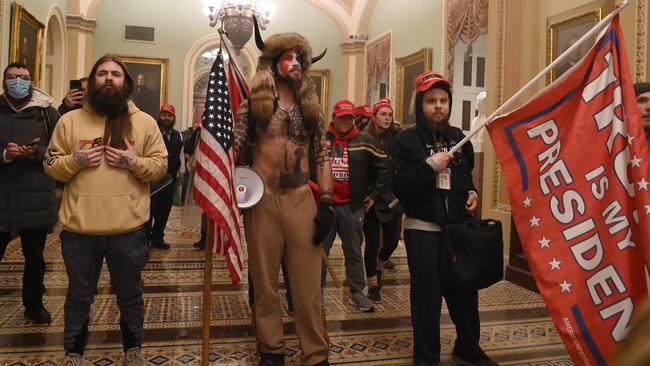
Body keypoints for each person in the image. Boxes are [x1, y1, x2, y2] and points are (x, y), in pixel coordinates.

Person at [44, 55, 168, 365]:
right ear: (91, 81)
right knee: (78, 296)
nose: (108, 78)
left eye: (115, 73)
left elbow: (161, 166)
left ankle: (133, 349)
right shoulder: (69, 121)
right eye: (102, 73)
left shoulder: (146, 122)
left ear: (126, 82)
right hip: (79, 233)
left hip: (129, 232)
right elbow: (50, 165)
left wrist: (132, 161)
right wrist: (76, 161)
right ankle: (74, 353)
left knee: (130, 295)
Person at [232, 31, 333, 366]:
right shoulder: (253, 106)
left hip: (302, 201)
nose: (295, 64)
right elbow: (233, 147)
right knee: (264, 285)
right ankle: (271, 350)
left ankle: (315, 353)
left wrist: (328, 202)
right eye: (288, 58)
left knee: (307, 289)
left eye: (299, 58)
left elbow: (322, 156)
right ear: (273, 64)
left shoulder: (312, 110)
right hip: (262, 202)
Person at [391, 70, 498, 366]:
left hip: (458, 231)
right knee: (427, 298)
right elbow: (400, 188)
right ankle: (426, 357)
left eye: (443, 100)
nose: (438, 106)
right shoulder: (405, 142)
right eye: (431, 101)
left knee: (465, 291)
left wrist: (472, 194)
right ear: (420, 105)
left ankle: (468, 346)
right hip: (423, 231)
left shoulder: (458, 138)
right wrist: (428, 167)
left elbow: (464, 180)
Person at [0, 62, 60, 324]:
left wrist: (36, 152)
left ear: (32, 81)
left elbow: (60, 151)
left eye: (23, 77)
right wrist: (4, 154)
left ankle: (34, 304)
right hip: (3, 195)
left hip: (36, 196)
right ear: (4, 81)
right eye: (12, 77)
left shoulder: (48, 114)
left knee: (35, 259)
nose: (18, 81)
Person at [321, 99, 390, 312]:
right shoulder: (322, 140)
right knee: (320, 250)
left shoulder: (365, 141)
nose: (346, 121)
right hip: (325, 205)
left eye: (350, 117)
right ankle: (317, 292)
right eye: (342, 117)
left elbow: (385, 167)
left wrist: (374, 195)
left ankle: (357, 293)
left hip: (353, 206)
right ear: (333, 117)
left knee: (353, 251)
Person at [361, 98, 403, 303]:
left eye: (389, 114)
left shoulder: (398, 137)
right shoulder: (365, 138)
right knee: (372, 243)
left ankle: (379, 266)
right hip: (371, 198)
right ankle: (373, 284)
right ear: (374, 117)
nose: (387, 118)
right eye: (383, 114)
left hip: (394, 198)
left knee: (392, 242)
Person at [146, 104, 183, 250]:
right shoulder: (152, 132)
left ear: (173, 118)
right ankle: (145, 239)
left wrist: (181, 174)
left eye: (170, 116)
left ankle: (157, 238)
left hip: (170, 181)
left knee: (164, 211)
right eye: (164, 115)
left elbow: (181, 156)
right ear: (159, 116)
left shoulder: (177, 135)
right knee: (150, 211)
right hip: (153, 181)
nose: (166, 118)